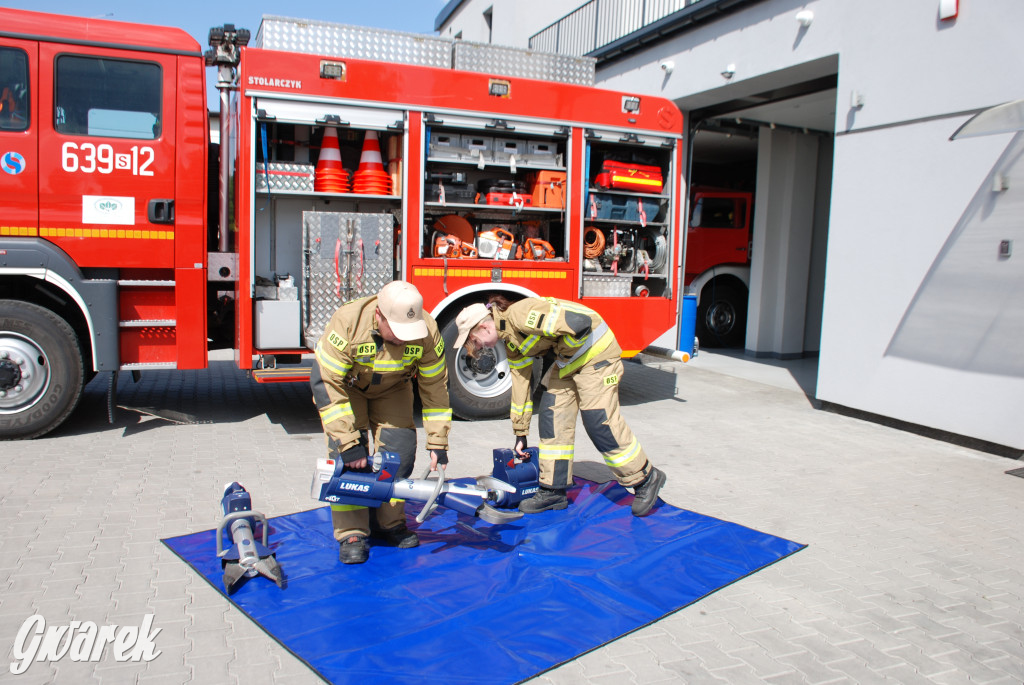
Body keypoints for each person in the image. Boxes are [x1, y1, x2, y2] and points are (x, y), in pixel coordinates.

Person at [453, 295, 666, 517]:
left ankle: (645, 478)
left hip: (597, 355)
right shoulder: (511, 341)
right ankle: (553, 490)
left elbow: (580, 324)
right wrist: (520, 432)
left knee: (598, 421)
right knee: (552, 417)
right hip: (569, 361)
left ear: (484, 327)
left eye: (475, 342)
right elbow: (521, 385)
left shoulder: (521, 316)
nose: (478, 348)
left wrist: (568, 350)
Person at [311, 280, 452, 564]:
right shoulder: (349, 322)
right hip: (349, 388)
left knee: (400, 453)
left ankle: (389, 523)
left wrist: (438, 442)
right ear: (379, 315)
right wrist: (349, 442)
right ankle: (352, 532)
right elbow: (325, 382)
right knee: (350, 461)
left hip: (394, 389)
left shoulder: (426, 330)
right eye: (397, 332)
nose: (402, 339)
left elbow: (435, 387)